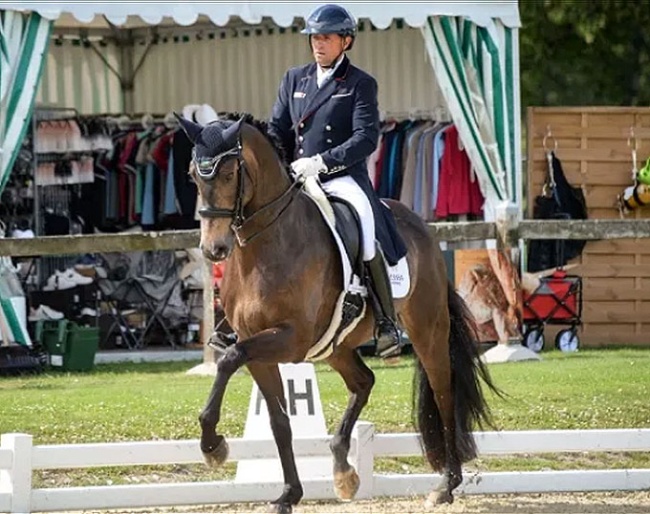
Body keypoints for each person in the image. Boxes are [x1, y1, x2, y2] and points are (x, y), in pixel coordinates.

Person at [268, 4, 407, 359]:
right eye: (315, 37)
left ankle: (387, 321)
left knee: (364, 226)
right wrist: (281, 164)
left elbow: (365, 139)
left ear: (346, 41)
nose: (319, 44)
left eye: (326, 38)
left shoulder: (360, 84)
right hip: (298, 176)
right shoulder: (293, 79)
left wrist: (322, 162)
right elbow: (277, 130)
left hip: (341, 178)